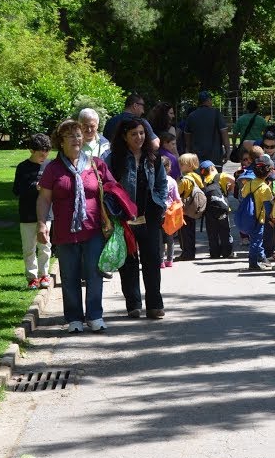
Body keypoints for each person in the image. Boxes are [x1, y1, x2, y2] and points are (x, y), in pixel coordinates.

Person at [37, 119, 124, 334]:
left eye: (78, 134)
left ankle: (95, 315)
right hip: (65, 231)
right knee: (69, 275)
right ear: (61, 142)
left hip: (94, 229)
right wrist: (41, 224)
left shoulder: (96, 164)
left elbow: (113, 188)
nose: (76, 139)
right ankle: (74, 318)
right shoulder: (53, 169)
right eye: (70, 136)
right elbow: (44, 199)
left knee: (95, 273)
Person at [108, 117, 169, 320]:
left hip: (149, 218)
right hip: (124, 218)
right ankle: (133, 305)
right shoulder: (114, 159)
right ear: (124, 137)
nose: (139, 137)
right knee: (128, 263)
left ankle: (155, 305)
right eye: (134, 134)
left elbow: (161, 184)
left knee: (152, 261)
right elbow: (107, 187)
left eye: (142, 133)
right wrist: (114, 211)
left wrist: (160, 204)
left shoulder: (153, 157)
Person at [13, 133, 53, 289]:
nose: (43, 156)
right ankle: (32, 277)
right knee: (29, 248)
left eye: (46, 152)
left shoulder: (50, 166)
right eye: (40, 153)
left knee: (45, 246)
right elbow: (16, 190)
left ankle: (44, 275)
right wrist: (33, 187)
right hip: (27, 213)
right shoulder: (22, 167)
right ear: (31, 150)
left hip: (46, 214)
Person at [242, 154, 275, 271]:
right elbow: (267, 205)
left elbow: (243, 195)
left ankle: (261, 258)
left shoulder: (249, 184)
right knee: (256, 240)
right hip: (258, 218)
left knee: (254, 239)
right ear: (268, 173)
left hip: (249, 216)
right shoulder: (264, 188)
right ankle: (253, 263)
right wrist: (271, 219)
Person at [199, 159, 233, 259]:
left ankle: (214, 253)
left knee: (212, 233)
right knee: (224, 231)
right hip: (222, 210)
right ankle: (227, 252)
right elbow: (233, 180)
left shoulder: (204, 181)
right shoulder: (221, 176)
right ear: (213, 168)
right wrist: (228, 191)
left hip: (209, 212)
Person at [184, 91, 229, 167]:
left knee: (198, 177)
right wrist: (228, 150)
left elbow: (187, 135)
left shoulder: (191, 116)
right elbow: (224, 132)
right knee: (215, 177)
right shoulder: (216, 113)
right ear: (208, 100)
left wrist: (188, 149)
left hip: (197, 155)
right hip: (215, 155)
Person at [176, 153, 203, 261]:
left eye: (182, 164)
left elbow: (178, 192)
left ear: (190, 165)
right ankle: (191, 251)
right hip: (194, 207)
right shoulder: (197, 176)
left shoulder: (185, 180)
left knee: (183, 232)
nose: (180, 165)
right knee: (191, 231)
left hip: (185, 208)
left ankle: (186, 252)